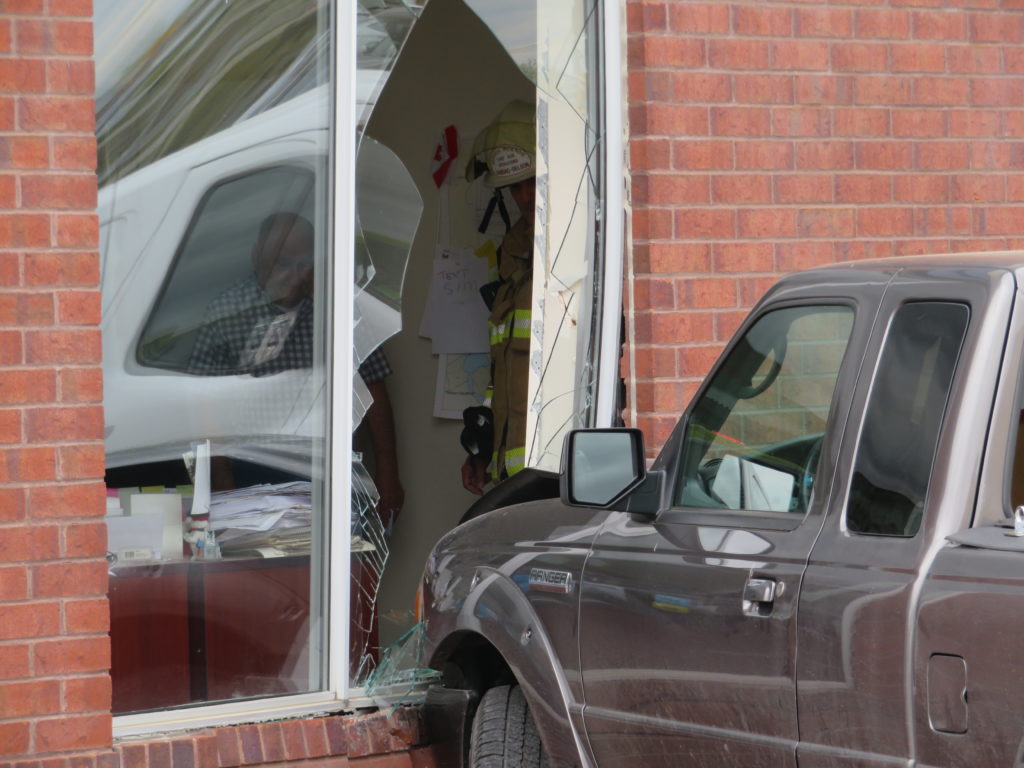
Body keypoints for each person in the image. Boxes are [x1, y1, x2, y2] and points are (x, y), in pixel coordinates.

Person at [189, 212, 404, 522]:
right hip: (248, 466)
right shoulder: (226, 311)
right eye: (282, 263)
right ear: (256, 258)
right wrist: (221, 480)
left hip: (325, 465)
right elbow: (206, 405)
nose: (294, 275)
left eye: (303, 264)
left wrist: (387, 469)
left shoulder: (339, 310)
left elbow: (372, 385)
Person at [460, 101, 536, 495]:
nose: (525, 197)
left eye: (533, 182)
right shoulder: (514, 253)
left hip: (560, 474)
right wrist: (484, 447)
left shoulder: (580, 256)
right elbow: (503, 372)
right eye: (515, 188)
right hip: (515, 478)